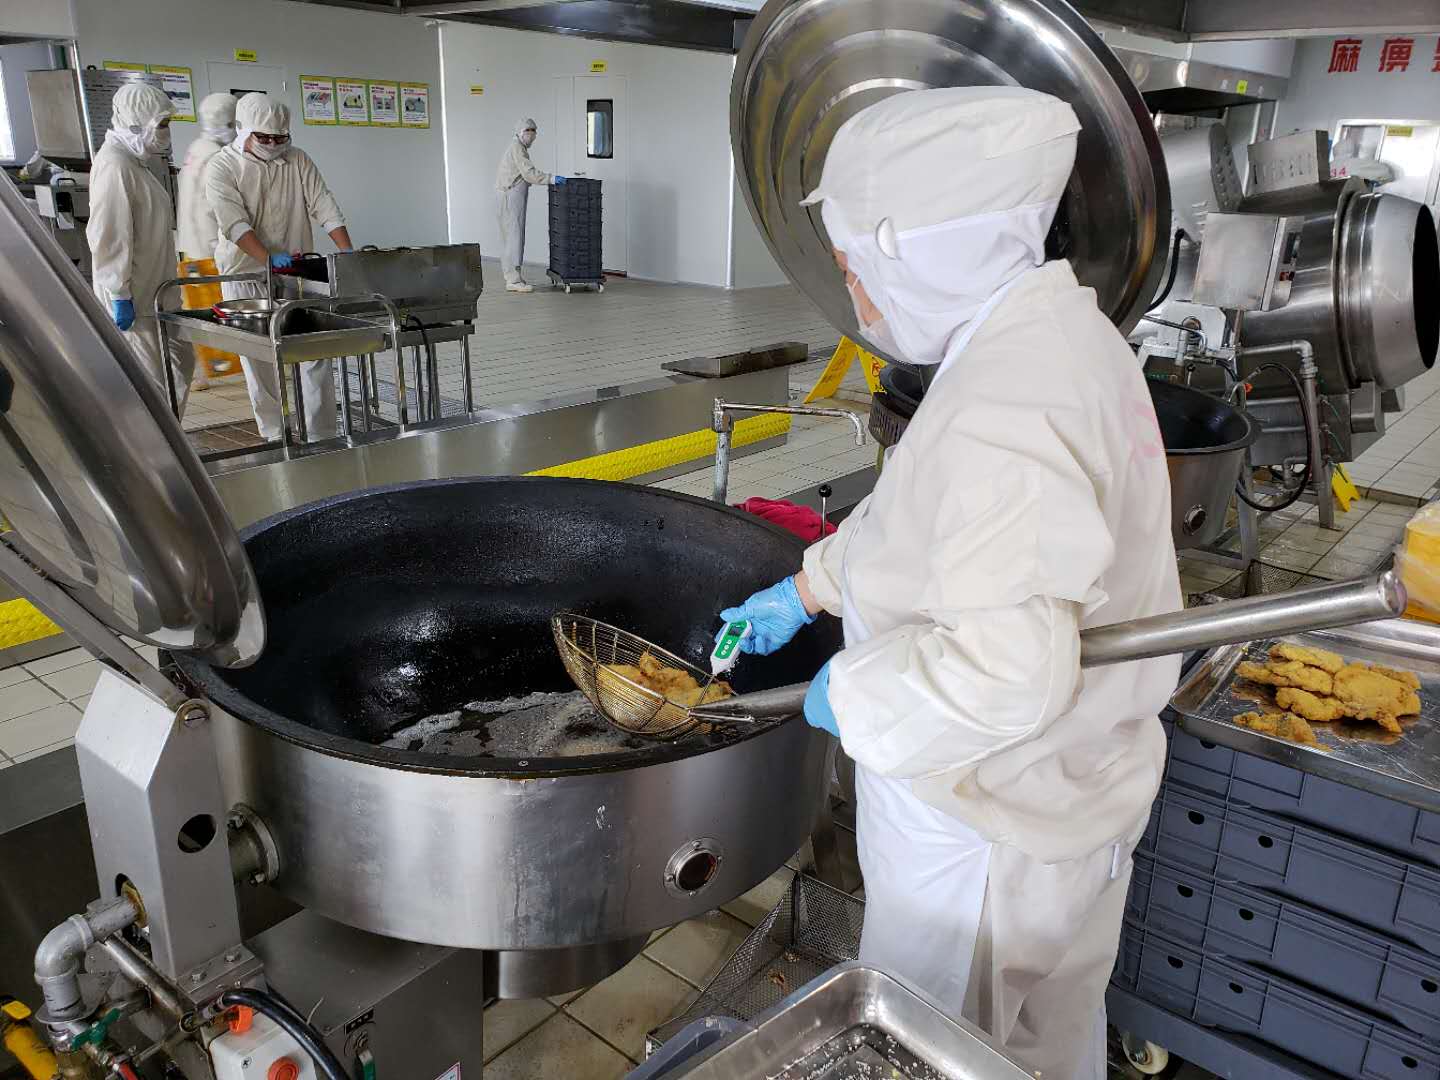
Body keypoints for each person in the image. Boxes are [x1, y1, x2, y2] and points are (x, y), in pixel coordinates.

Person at [715, 87, 1181, 1080]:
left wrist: (855, 697)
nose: (856, 296)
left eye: (856, 267)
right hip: (1067, 804)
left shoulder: (1006, 402)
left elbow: (1006, 674)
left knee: (937, 1056)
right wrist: (812, 588)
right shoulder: (1053, 337)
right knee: (1046, 1051)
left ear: (920, 253)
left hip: (983, 840)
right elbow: (928, 521)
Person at [205, 92, 352, 442]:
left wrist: (348, 254)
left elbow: (324, 204)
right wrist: (267, 259)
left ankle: (320, 432)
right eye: (264, 137)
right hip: (244, 273)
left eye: (280, 138)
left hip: (295, 272)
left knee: (314, 348)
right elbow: (233, 223)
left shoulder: (297, 159)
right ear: (243, 131)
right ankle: (275, 431)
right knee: (259, 356)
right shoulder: (222, 166)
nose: (273, 144)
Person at [88, 82, 196, 413]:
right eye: (162, 124)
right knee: (153, 391)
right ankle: (158, 446)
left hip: (157, 293)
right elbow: (109, 236)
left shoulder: (136, 162)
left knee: (180, 367)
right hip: (135, 302)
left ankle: (171, 441)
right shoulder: (115, 165)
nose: (166, 132)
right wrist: (119, 294)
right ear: (138, 123)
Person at [176, 92, 239, 390]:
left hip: (191, 244)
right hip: (209, 247)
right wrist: (222, 247)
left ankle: (206, 370)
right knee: (214, 311)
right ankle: (213, 369)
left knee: (200, 308)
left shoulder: (197, 148)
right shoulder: (215, 155)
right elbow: (211, 206)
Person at [494, 117, 560, 293]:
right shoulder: (517, 147)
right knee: (514, 237)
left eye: (534, 131)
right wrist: (552, 179)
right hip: (510, 196)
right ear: (520, 132)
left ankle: (513, 276)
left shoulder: (518, 147)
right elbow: (529, 173)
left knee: (511, 237)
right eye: (528, 131)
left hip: (509, 195)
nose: (532, 135)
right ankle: (513, 280)